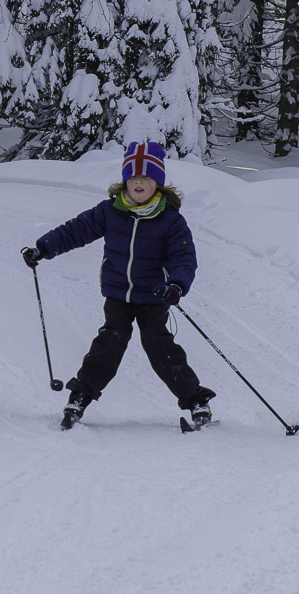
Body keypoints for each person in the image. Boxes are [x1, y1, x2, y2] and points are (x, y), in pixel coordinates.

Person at [21, 141, 215, 430]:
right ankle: (80, 396)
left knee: (158, 345)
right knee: (110, 342)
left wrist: (176, 285)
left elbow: (184, 258)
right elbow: (76, 230)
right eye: (133, 178)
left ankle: (196, 400)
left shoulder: (171, 221)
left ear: (158, 184)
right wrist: (44, 248)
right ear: (125, 181)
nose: (139, 182)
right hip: (118, 294)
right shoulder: (110, 211)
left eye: (146, 178)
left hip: (154, 296)